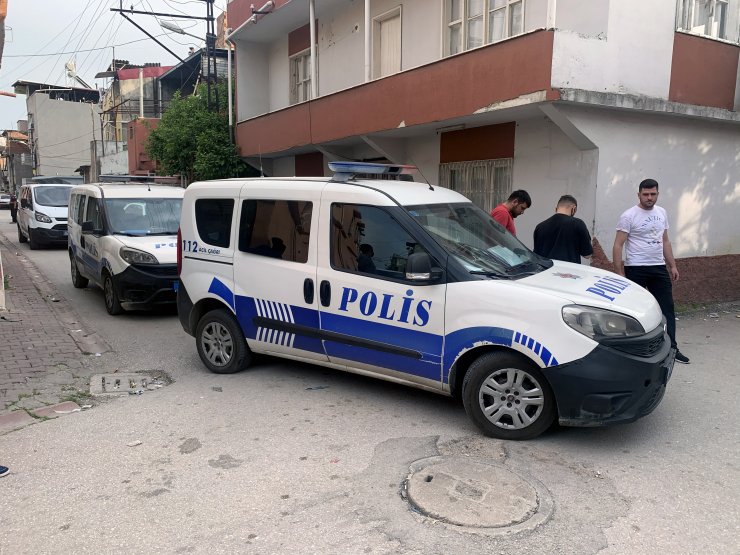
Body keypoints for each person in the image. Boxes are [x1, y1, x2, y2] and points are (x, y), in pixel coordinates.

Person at [612, 178, 689, 364]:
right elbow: (618, 245)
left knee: (667, 309)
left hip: (658, 267)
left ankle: (672, 348)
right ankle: (634, 350)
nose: (649, 198)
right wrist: (619, 273)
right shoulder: (629, 215)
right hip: (635, 268)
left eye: (652, 194)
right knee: (634, 311)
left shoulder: (662, 212)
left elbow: (665, 241)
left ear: (657, 194)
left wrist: (672, 265)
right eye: (645, 194)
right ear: (638, 194)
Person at [533, 195, 593, 263]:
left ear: (556, 208)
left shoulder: (540, 227)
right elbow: (587, 255)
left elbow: (536, 255)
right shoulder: (578, 224)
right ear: (574, 209)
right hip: (569, 272)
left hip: (546, 271)